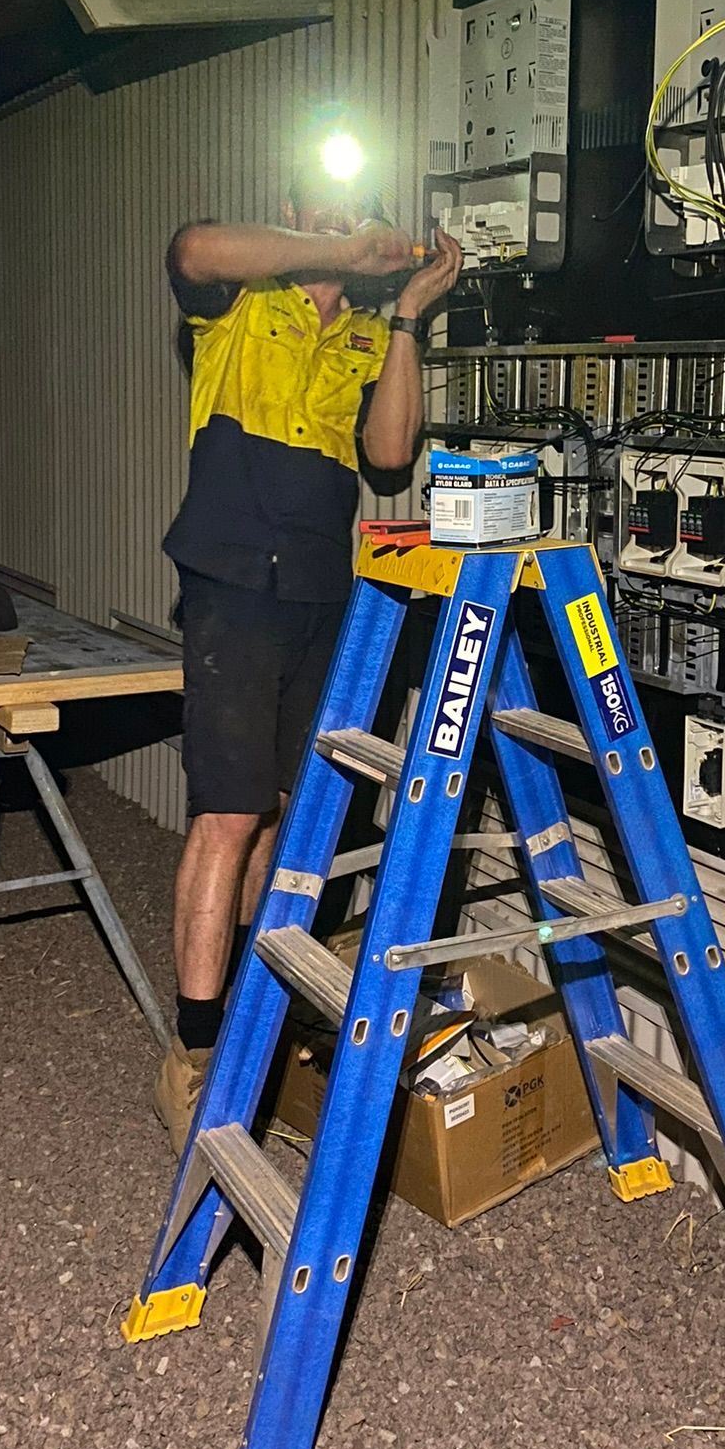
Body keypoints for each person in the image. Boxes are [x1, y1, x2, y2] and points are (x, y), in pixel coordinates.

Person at [153, 161, 461, 1152]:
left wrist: (408, 312)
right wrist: (335, 251)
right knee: (228, 811)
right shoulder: (242, 299)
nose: (336, 220)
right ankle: (192, 1052)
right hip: (232, 577)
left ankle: (247, 1016)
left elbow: (387, 455)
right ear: (290, 213)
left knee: (287, 818)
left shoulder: (370, 333)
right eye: (316, 209)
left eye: (352, 207)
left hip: (322, 588)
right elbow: (190, 246)